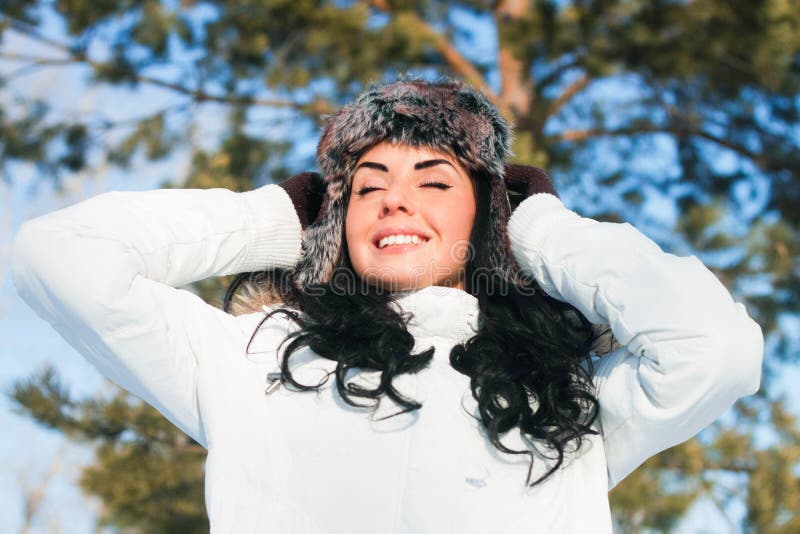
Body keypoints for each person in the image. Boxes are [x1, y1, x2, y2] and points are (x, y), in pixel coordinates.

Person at [11, 79, 764, 533]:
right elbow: (60, 257)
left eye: (435, 181)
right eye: (367, 186)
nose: (394, 198)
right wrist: (282, 215)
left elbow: (714, 349)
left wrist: (536, 224)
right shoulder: (255, 358)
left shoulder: (565, 394)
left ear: (487, 221)